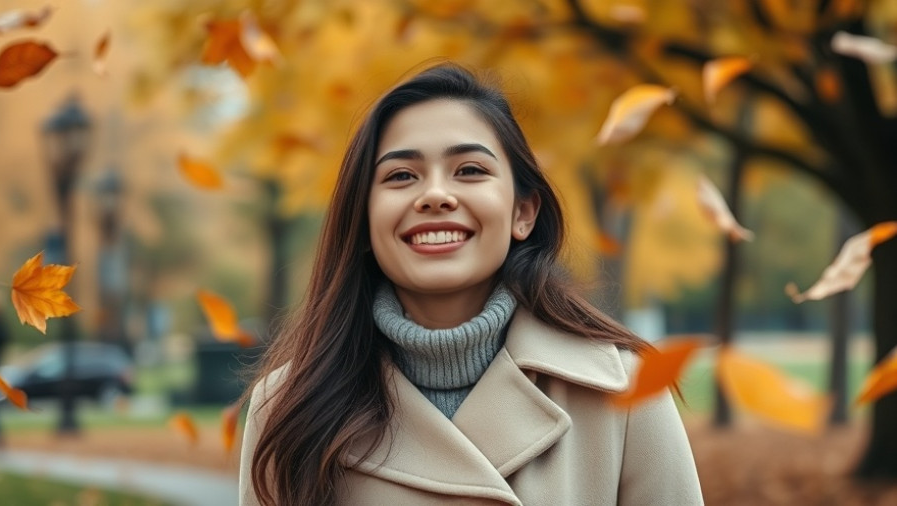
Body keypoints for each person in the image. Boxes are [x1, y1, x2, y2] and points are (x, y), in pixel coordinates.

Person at [239, 63, 703, 505]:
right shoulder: (288, 408)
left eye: (470, 170)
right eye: (401, 176)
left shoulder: (627, 392)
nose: (436, 195)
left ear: (523, 212)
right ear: (362, 221)